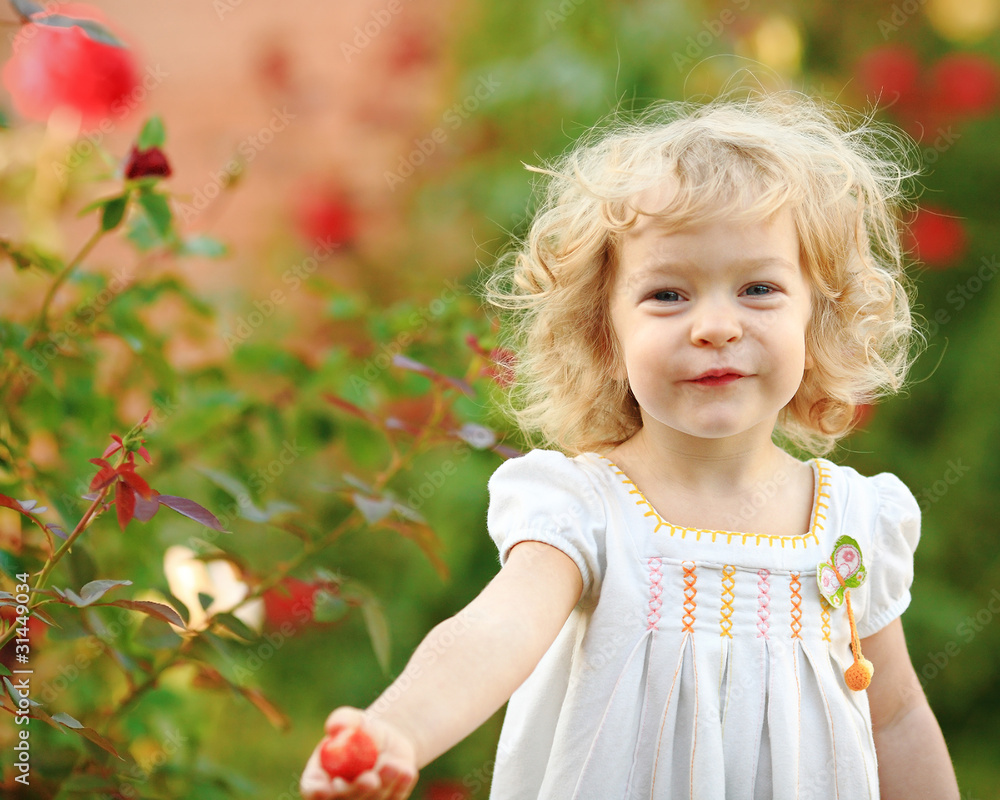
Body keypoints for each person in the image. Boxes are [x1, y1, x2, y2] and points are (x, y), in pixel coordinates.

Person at [300, 91, 961, 800]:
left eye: (759, 288)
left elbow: (893, 718)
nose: (715, 325)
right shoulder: (586, 510)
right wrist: (397, 730)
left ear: (816, 317)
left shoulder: (853, 527)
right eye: (668, 295)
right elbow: (494, 631)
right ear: (603, 336)